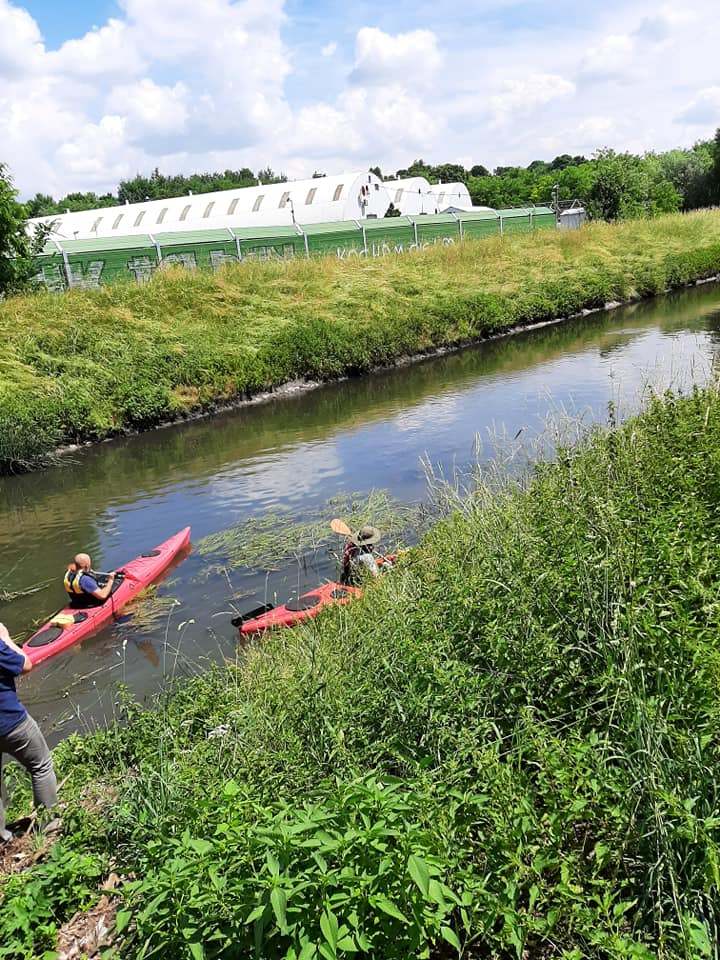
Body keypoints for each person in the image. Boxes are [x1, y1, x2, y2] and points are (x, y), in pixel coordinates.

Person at [0, 622, 57, 843]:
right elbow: (25, 664)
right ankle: (50, 827)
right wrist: (5, 637)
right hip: (11, 722)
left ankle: (3, 837)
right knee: (41, 765)